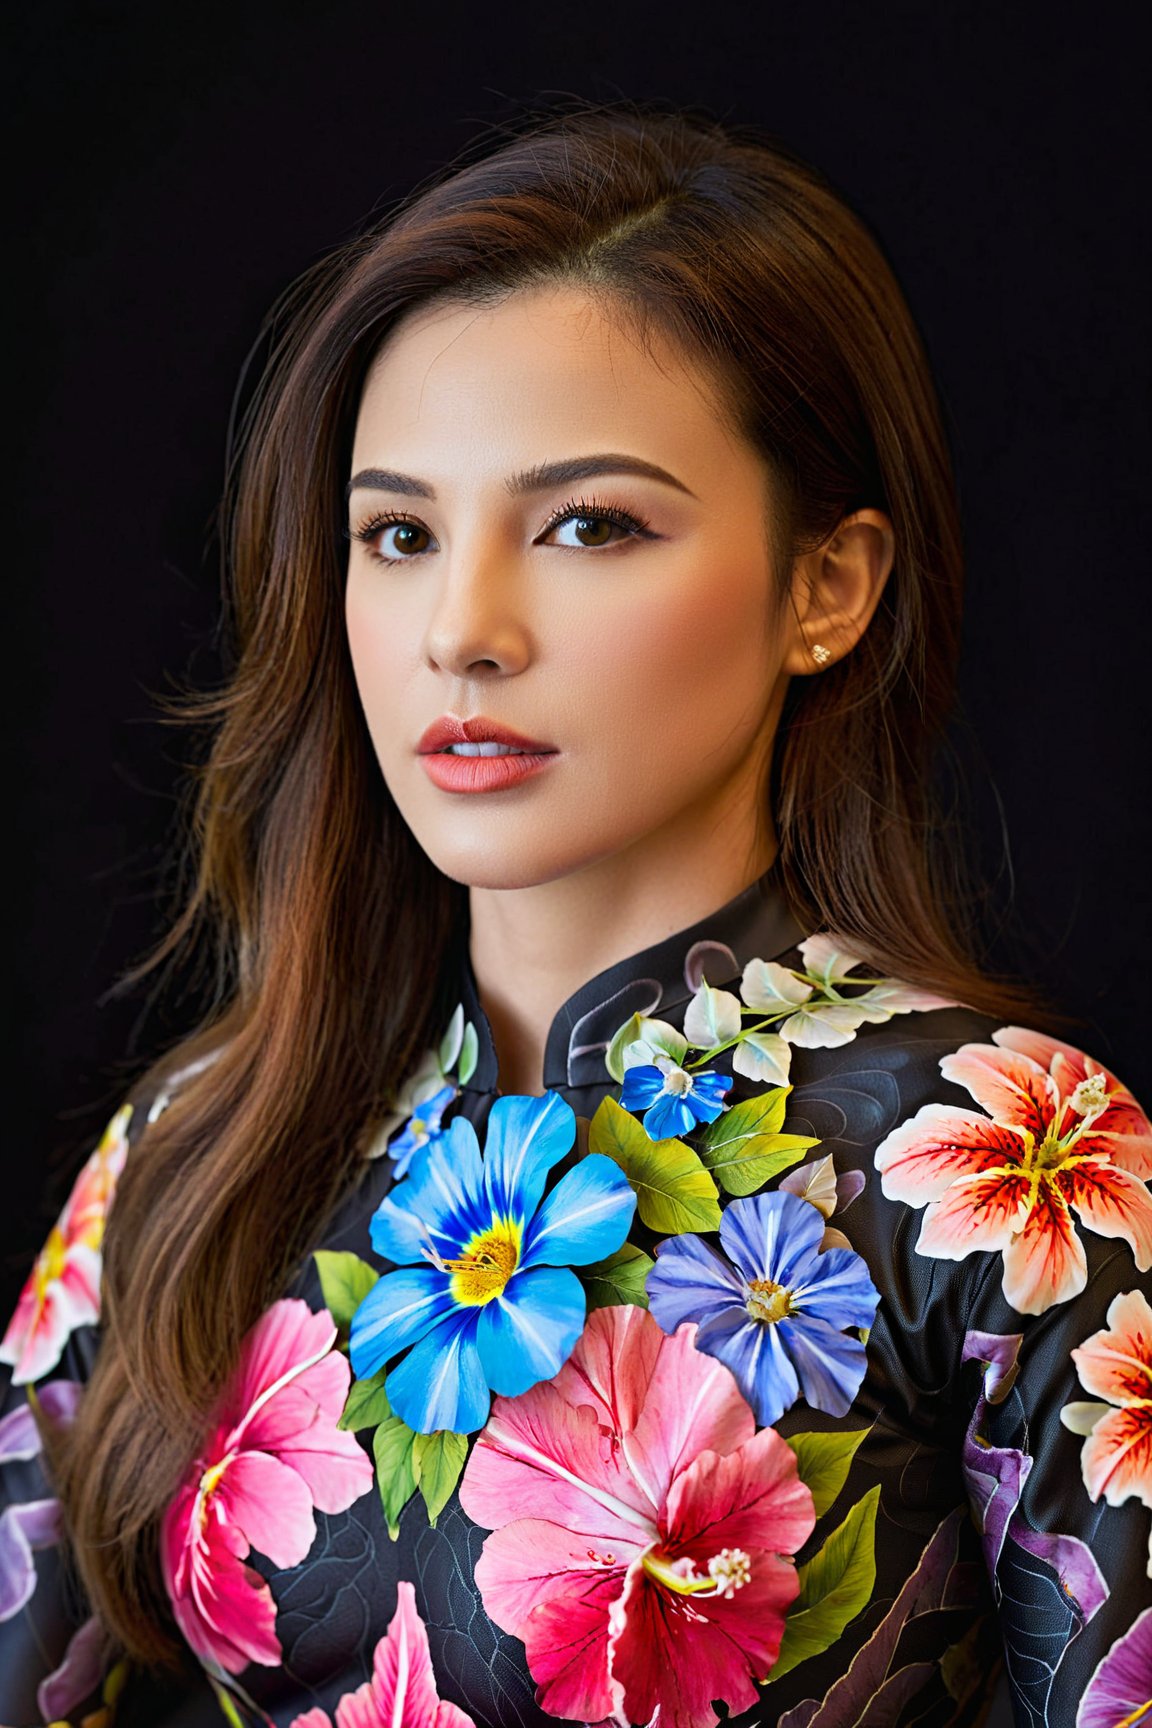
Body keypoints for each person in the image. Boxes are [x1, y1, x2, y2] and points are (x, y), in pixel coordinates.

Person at [1, 100, 1148, 1728]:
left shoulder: (1010, 1161)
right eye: (398, 535)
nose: (462, 629)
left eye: (589, 525)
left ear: (828, 586)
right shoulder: (203, 1138)